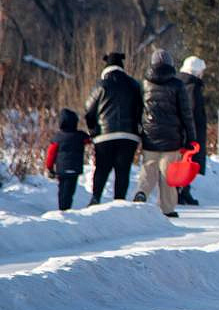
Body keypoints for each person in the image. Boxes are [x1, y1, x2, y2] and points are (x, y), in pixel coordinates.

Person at [133, 49, 196, 218]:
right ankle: (167, 208)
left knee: (149, 167)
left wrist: (139, 130)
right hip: (172, 136)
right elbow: (186, 114)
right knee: (168, 173)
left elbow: (138, 109)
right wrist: (191, 138)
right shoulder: (177, 85)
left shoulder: (144, 84)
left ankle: (142, 193)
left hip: (150, 134)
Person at [84, 51, 142, 204]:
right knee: (123, 170)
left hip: (105, 136)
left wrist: (93, 130)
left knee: (102, 168)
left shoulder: (101, 85)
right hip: (129, 135)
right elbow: (141, 108)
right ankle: (119, 201)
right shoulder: (134, 85)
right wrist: (138, 128)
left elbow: (89, 109)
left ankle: (96, 197)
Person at [44, 108, 91, 211]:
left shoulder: (57, 137)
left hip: (61, 169)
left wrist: (49, 167)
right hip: (74, 168)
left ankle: (62, 208)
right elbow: (89, 140)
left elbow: (51, 154)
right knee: (70, 190)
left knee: (62, 189)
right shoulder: (80, 136)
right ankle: (67, 208)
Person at [176, 56, 207, 206]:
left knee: (182, 162)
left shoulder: (179, 82)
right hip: (190, 131)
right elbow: (194, 111)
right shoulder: (193, 86)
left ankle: (182, 191)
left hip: (178, 131)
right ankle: (182, 191)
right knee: (188, 162)